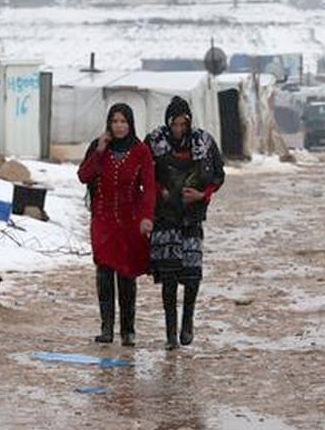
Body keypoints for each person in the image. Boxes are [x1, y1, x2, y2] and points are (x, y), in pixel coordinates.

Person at [145, 96, 225, 350]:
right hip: (165, 217)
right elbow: (144, 174)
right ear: (168, 123)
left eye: (183, 123)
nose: (179, 128)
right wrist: (159, 190)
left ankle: (187, 320)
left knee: (191, 275)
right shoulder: (154, 141)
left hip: (191, 217)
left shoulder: (203, 142)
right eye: (175, 124)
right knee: (168, 277)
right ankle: (170, 332)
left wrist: (202, 195)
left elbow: (218, 175)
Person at [77, 103, 156, 347]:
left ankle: (128, 330)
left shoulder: (140, 151)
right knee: (104, 271)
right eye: (115, 121)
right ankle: (106, 328)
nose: (119, 126)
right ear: (109, 124)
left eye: (123, 122)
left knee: (126, 274)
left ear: (130, 124)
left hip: (129, 220)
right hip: (102, 219)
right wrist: (100, 151)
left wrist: (147, 217)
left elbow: (149, 188)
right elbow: (84, 176)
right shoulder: (99, 146)